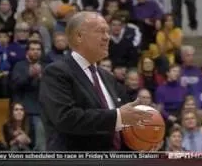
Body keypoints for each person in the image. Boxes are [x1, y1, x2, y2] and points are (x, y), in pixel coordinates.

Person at [39, 11, 153, 151]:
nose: (107, 37)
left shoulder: (107, 77)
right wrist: (118, 116)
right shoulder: (57, 72)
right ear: (79, 36)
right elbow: (65, 118)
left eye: (108, 32)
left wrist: (145, 139)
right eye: (101, 31)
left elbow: (118, 125)